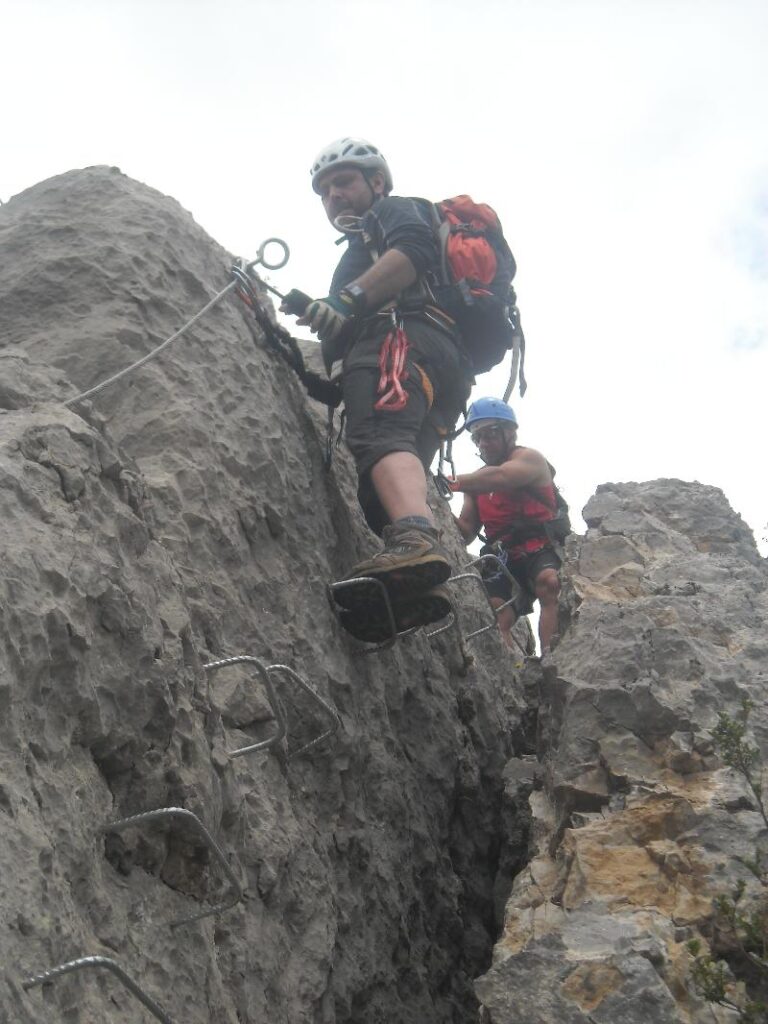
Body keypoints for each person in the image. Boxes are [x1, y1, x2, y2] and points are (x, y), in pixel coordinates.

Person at [282, 137, 473, 642]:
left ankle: (413, 539)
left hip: (402, 340)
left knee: (381, 435)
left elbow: (411, 253)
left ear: (377, 182)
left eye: (343, 182)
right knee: (375, 490)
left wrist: (345, 301)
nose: (334, 197)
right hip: (437, 359)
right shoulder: (361, 245)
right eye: (324, 192)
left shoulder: (393, 212)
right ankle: (411, 594)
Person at [448, 397, 562, 653]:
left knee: (550, 582)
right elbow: (466, 531)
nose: (483, 443)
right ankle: (513, 670)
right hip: (503, 556)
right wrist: (436, 509)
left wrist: (450, 482)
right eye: (477, 438)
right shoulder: (476, 485)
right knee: (496, 611)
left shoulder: (530, 459)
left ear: (510, 433)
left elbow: (503, 477)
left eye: (490, 434)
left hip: (540, 545)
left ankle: (551, 660)